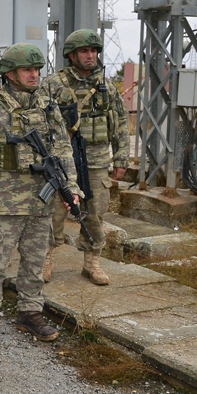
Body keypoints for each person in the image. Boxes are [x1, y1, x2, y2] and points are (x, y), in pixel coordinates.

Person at [0, 43, 80, 348]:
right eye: (27, 70)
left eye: (37, 70)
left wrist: (72, 188)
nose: (34, 75)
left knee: (34, 261)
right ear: (10, 74)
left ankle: (30, 313)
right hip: (3, 201)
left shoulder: (47, 105)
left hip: (39, 202)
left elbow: (62, 150)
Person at [39, 29, 129, 286]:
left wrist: (122, 157)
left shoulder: (106, 86)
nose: (90, 56)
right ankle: (47, 257)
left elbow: (121, 121)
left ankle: (92, 262)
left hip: (97, 158)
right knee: (55, 209)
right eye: (84, 51)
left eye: (93, 51)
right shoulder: (53, 85)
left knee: (96, 212)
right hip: (62, 159)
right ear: (71, 55)